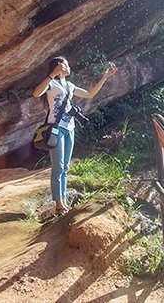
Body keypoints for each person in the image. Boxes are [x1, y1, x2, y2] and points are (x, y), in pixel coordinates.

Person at [33, 56, 118, 215]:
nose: (69, 66)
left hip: (70, 128)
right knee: (57, 167)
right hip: (56, 128)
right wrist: (52, 74)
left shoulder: (70, 86)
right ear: (59, 65)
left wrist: (104, 78)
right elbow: (37, 93)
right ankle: (59, 205)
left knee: (65, 167)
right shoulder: (51, 83)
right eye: (66, 63)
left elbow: (90, 94)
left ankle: (63, 201)